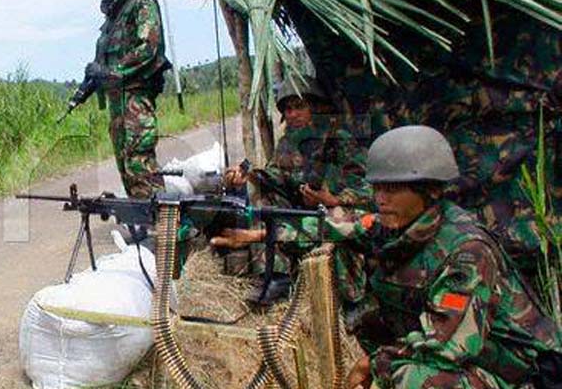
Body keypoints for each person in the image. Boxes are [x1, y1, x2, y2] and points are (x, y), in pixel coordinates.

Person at [214, 125, 562, 388]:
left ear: (430, 191)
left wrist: (371, 364)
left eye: (393, 189)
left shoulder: (467, 253)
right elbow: (338, 226)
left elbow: (442, 349)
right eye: (378, 187)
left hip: (524, 375)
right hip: (478, 360)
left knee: (416, 377)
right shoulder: (395, 223)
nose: (381, 198)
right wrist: (261, 233)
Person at [224, 76, 370, 304]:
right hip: (300, 211)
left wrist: (333, 199)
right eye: (288, 109)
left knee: (337, 217)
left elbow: (368, 189)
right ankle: (275, 276)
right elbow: (275, 177)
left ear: (316, 107)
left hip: (337, 217)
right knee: (261, 194)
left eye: (299, 106)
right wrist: (249, 175)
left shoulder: (340, 140)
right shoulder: (287, 143)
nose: (292, 114)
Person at [82, 0, 171, 198]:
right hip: (116, 102)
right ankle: (143, 224)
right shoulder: (112, 16)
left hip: (135, 97)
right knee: (124, 165)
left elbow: (148, 48)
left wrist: (112, 72)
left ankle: (169, 228)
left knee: (140, 164)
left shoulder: (142, 4)